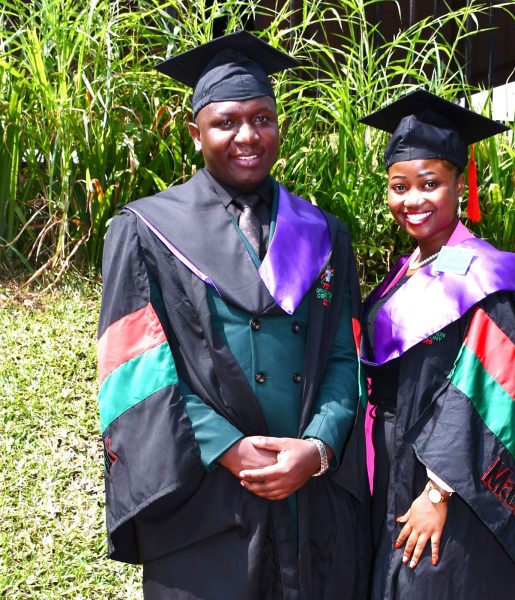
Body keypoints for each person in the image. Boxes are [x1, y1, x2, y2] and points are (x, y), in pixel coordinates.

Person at [96, 30, 369, 600]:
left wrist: (317, 448)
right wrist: (228, 448)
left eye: (263, 118)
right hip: (205, 496)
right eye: (227, 122)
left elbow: (345, 357)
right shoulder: (146, 230)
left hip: (307, 500)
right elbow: (136, 371)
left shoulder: (323, 233)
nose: (248, 136)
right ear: (196, 133)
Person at [359, 89, 515, 599]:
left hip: (450, 481)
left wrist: (438, 492)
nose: (413, 199)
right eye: (399, 186)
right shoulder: (402, 273)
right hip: (390, 462)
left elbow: (495, 387)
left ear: (458, 185)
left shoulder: (491, 276)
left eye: (430, 183)